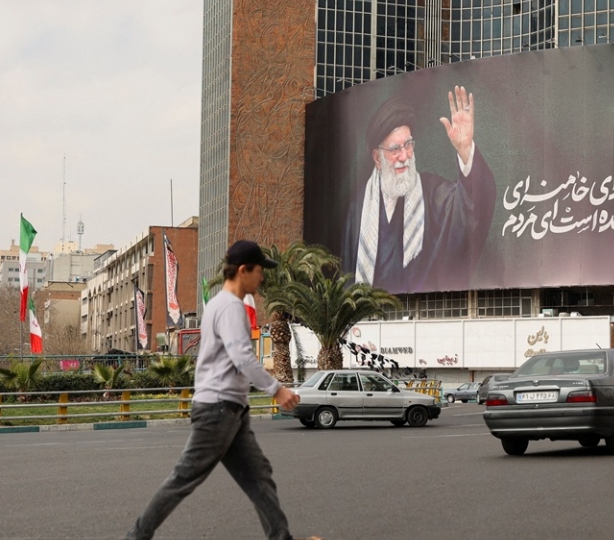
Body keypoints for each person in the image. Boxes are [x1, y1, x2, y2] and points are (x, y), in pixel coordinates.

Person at [125, 240, 320, 540]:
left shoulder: (218, 303)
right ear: (243, 270)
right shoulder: (230, 307)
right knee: (183, 479)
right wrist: (277, 390)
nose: (262, 278)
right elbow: (242, 356)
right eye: (259, 271)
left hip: (231, 412)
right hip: (218, 411)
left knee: (259, 477)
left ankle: (281, 537)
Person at [342, 86, 497, 294]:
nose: (405, 156)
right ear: (377, 158)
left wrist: (466, 150)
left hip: (422, 315)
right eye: (395, 149)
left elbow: (473, 205)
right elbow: (348, 281)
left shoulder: (432, 193)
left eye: (408, 145)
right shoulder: (359, 209)